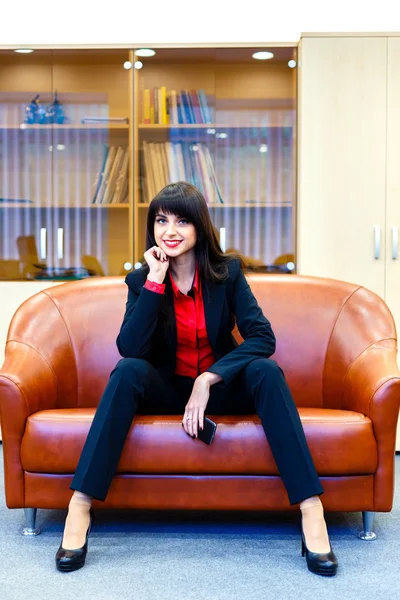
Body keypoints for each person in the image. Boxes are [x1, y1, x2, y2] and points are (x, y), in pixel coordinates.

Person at [55, 181, 338, 577]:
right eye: (161, 220)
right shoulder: (140, 282)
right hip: (168, 389)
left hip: (217, 391)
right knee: (127, 372)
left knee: (266, 371)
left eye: (182, 221)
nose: (170, 230)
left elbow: (263, 338)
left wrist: (209, 378)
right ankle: (80, 506)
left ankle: (311, 509)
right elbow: (130, 348)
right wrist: (155, 280)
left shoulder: (227, 273)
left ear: (200, 227)